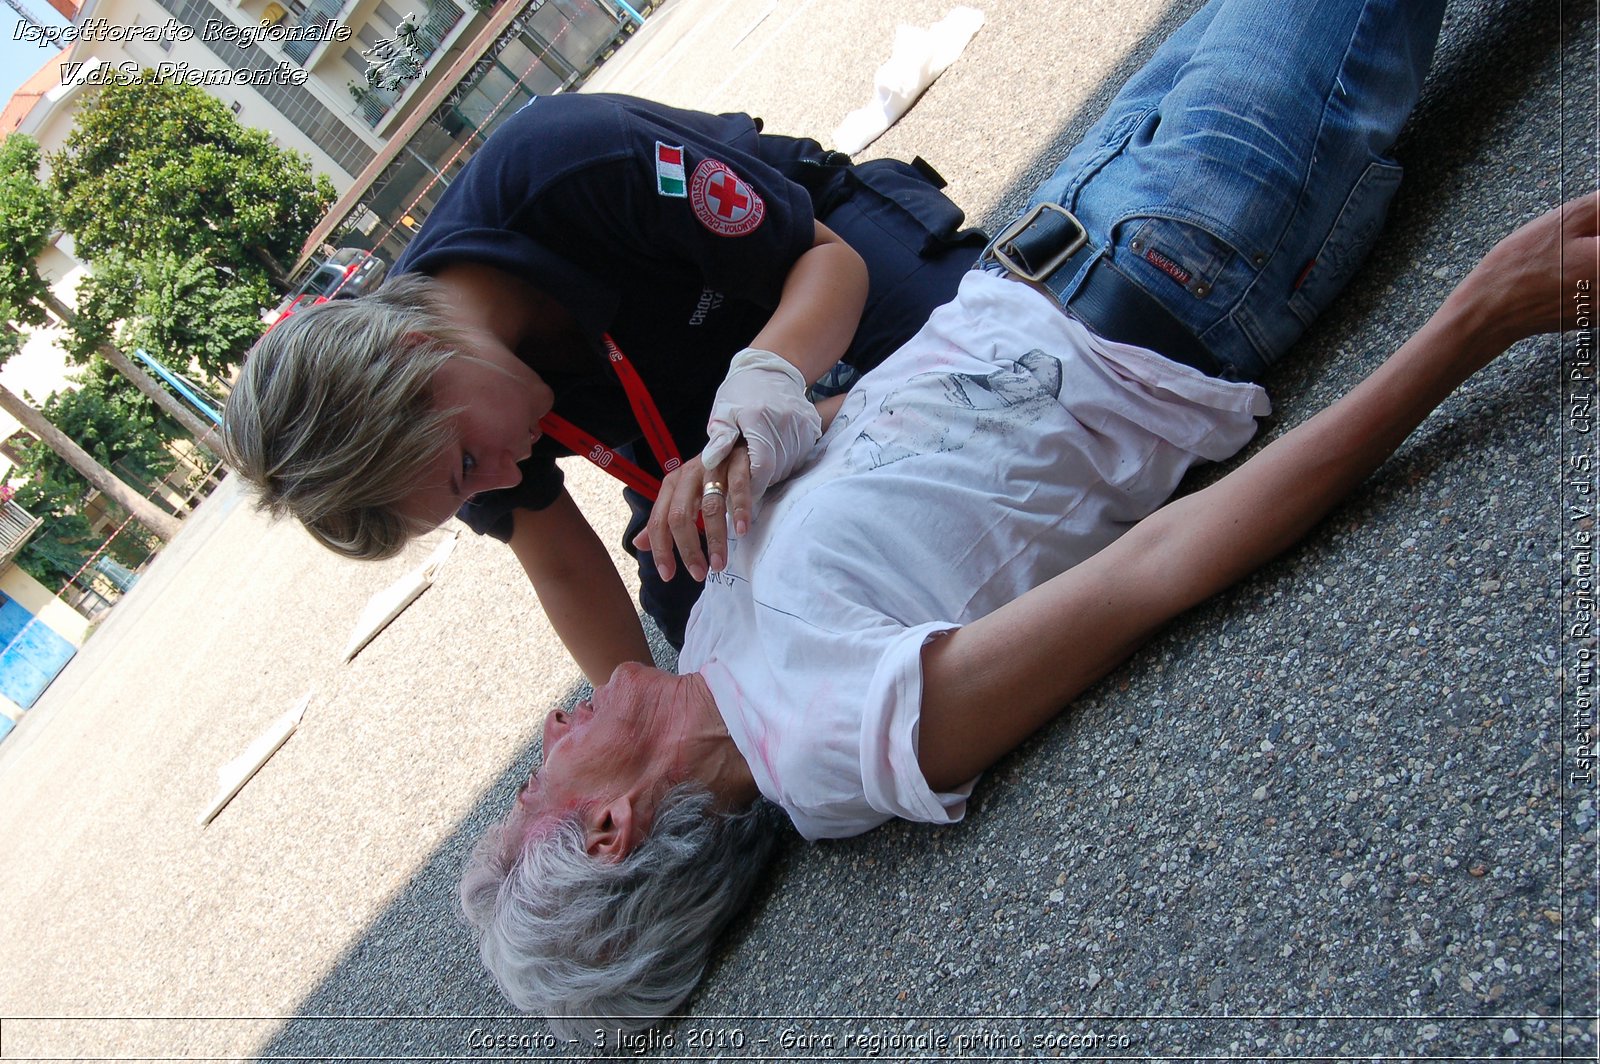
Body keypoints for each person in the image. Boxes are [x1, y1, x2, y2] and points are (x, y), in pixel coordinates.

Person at [455, 0, 1596, 1036]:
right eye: (535, 782)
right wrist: (1468, 325)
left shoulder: (705, 640)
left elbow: (886, 442)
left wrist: (758, 429)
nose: (547, 730)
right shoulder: (825, 743)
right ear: (608, 828)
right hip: (1178, 272)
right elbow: (1155, 569)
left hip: (1067, 221)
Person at [222, 92, 985, 676]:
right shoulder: (440, 420)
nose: (497, 480)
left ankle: (841, 407)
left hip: (800, 265)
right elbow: (558, 561)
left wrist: (769, 390)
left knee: (993, 362)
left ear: (416, 350)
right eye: (463, 495)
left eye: (465, 467)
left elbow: (828, 263)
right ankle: (836, 418)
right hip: (688, 403)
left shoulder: (569, 164)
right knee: (702, 611)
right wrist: (643, 715)